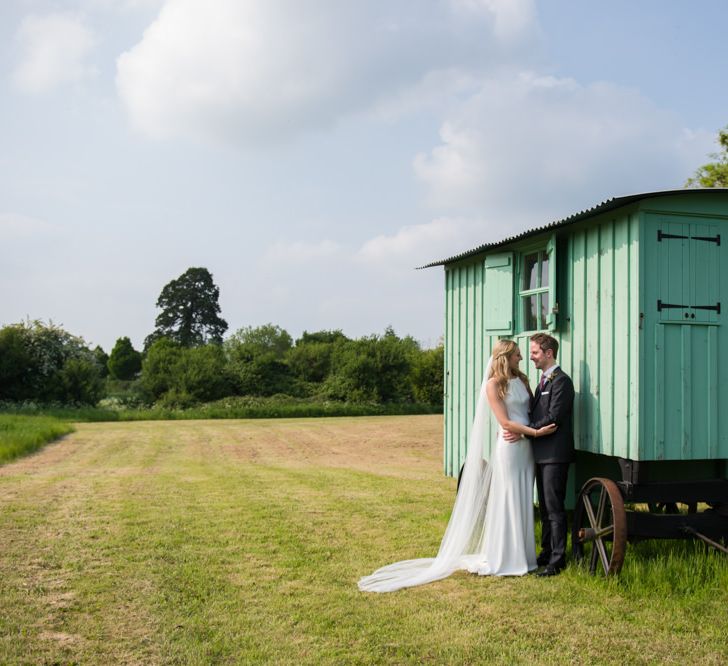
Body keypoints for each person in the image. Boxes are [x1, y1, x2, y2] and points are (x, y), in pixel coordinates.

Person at [358, 339, 556, 593]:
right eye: (517, 354)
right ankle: (505, 557)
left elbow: (528, 411)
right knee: (507, 498)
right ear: (505, 357)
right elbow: (505, 423)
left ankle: (524, 557)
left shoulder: (523, 381)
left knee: (522, 498)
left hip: (525, 447)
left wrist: (527, 432)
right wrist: (535, 433)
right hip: (511, 447)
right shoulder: (493, 384)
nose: (521, 358)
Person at [507, 333, 574, 577]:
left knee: (555, 509)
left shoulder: (561, 382)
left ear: (548, 353)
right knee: (545, 508)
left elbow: (554, 418)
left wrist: (525, 433)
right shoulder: (543, 381)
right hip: (541, 454)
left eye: (535, 352)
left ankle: (557, 561)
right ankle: (546, 553)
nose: (531, 357)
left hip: (555, 454)